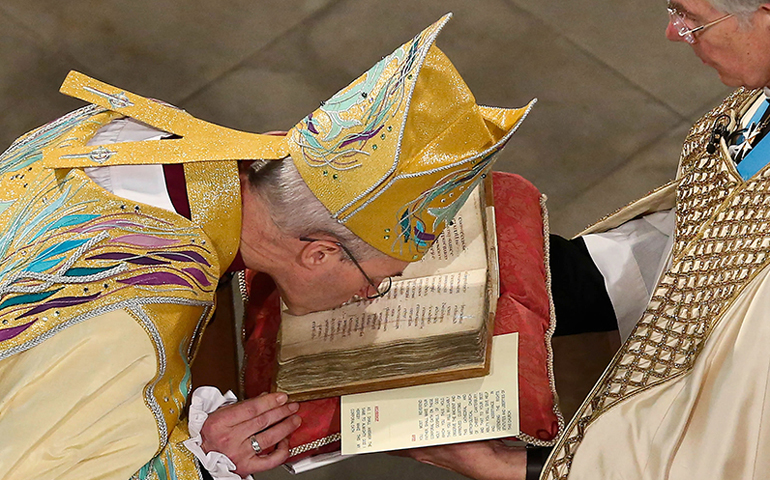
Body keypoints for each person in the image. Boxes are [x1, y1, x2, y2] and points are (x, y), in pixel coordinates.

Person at [0, 14, 535, 480]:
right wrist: (204, 460)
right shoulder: (139, 311)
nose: (373, 296)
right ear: (319, 253)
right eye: (376, 280)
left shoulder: (140, 135)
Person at [406, 1, 770, 479]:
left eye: (691, 16)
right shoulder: (756, 93)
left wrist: (518, 469)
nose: (674, 31)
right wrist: (544, 272)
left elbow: (728, 446)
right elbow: (701, 233)